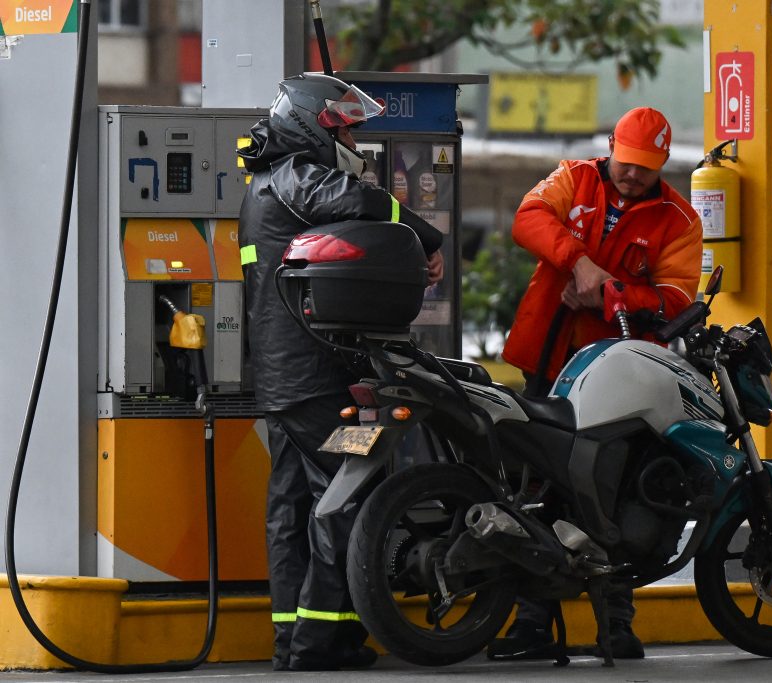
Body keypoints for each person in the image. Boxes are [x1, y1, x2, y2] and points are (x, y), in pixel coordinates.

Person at [238, 73, 444, 671]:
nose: (352, 136)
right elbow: (362, 201)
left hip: (286, 380)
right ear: (311, 125)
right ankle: (321, 640)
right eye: (344, 126)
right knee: (346, 495)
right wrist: (423, 235)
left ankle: (294, 636)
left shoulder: (266, 183)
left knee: (294, 506)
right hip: (314, 375)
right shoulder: (295, 177)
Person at [489, 107, 703, 661]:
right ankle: (530, 625)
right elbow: (529, 218)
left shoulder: (678, 220)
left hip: (624, 378)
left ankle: (616, 623)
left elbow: (676, 299)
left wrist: (609, 296)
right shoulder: (574, 177)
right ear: (612, 147)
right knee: (534, 492)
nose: (634, 175)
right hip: (550, 362)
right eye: (627, 163)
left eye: (647, 168)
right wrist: (579, 262)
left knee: (618, 493)